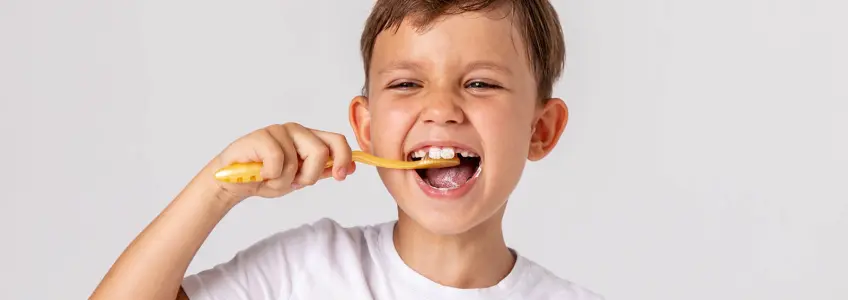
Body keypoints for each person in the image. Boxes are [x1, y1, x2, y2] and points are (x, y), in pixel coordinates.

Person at [91, 0, 603, 299]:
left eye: (480, 85)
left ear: (541, 130)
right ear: (367, 127)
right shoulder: (305, 271)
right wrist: (215, 191)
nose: (441, 109)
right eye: (406, 84)